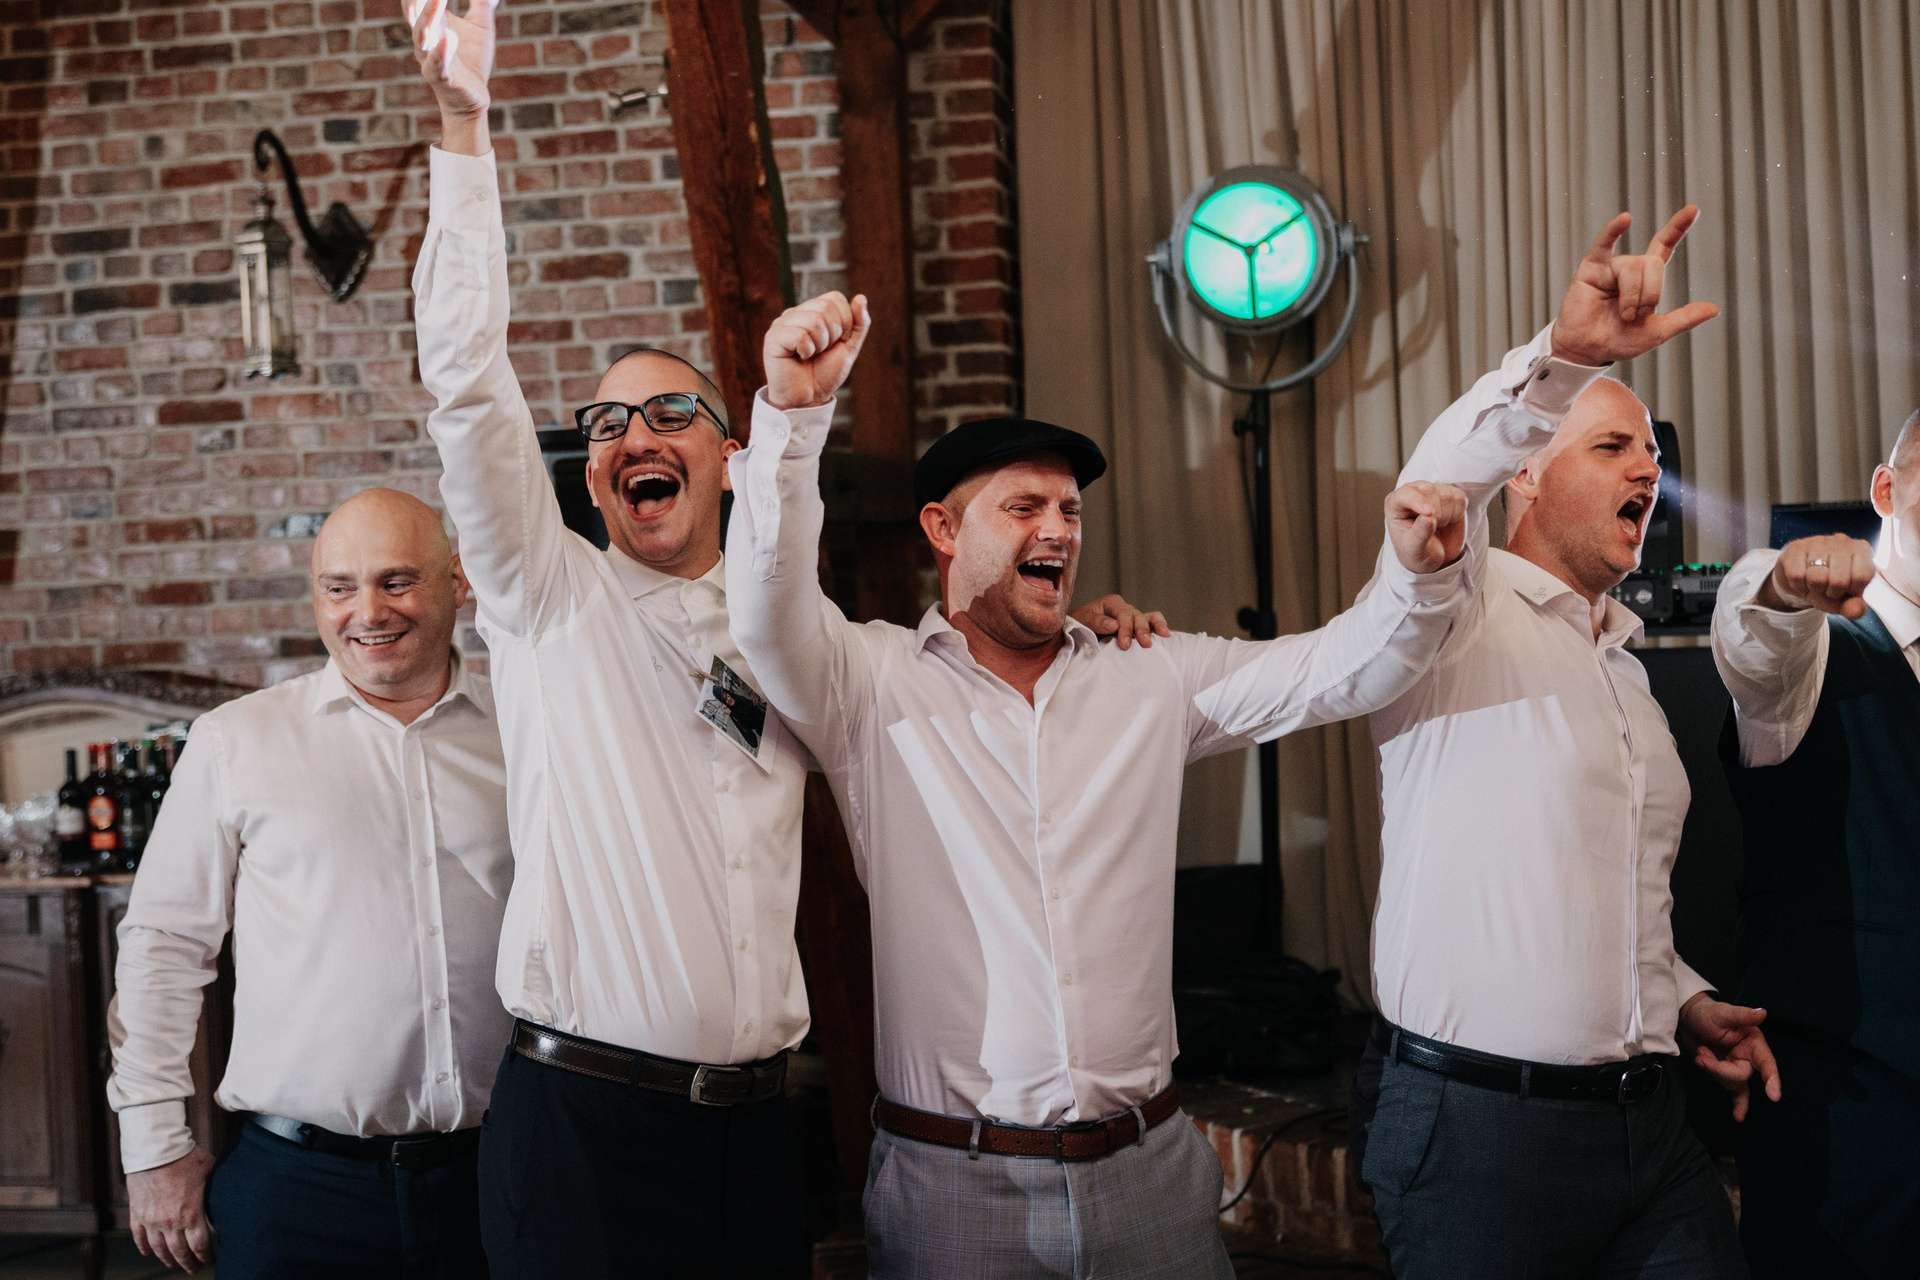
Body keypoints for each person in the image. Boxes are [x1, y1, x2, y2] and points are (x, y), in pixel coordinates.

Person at [404, 4, 1156, 1273]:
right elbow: (470, 387)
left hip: (755, 1133)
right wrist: (463, 132)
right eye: (605, 425)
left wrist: (1071, 631)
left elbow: (952, 678)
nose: (632, 436)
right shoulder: (548, 599)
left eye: (668, 412)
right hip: (582, 1127)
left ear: (730, 455)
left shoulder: (803, 642)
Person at [722, 269, 1511, 1273]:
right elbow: (767, 609)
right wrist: (793, 417)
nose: (1058, 529)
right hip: (954, 1184)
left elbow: (1341, 669)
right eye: (1024, 507)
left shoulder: (1150, 674)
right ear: (942, 531)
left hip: (1150, 1174)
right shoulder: (868, 683)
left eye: (1070, 508)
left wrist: (1417, 574)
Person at [1350, 208, 1777, 1278]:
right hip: (1480, 1131)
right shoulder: (1449, 612)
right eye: (1612, 445)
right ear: (1527, 475)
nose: (1649, 470)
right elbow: (1436, 484)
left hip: (1650, 1128)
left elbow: (1609, 894)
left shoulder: (1626, 669)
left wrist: (1682, 998)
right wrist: (1563, 358)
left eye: (1653, 452)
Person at [107, 488, 512, 1279]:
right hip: (298, 1191)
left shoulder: (526, 729)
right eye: (340, 587)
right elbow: (162, 949)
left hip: (502, 1178)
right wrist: (153, 1148)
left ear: (457, 581)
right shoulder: (237, 741)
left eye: (398, 581)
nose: (369, 611)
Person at [1709, 410, 1920, 1278]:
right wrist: (1779, 584)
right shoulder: (1814, 657)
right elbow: (1754, 640)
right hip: (1847, 1126)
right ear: (1886, 490)